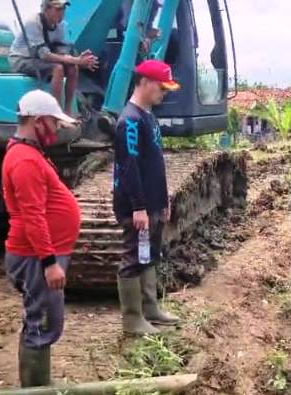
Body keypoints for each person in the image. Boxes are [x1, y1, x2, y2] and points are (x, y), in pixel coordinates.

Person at [1, 89, 79, 387]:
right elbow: (33, 215)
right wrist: (48, 262)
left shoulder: (28, 154)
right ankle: (35, 388)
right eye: (54, 122)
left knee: (43, 321)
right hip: (35, 256)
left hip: (40, 253)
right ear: (37, 120)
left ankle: (37, 385)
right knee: (43, 323)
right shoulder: (25, 160)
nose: (58, 129)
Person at [112, 60, 180, 335]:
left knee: (150, 253)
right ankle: (132, 319)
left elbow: (155, 164)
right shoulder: (129, 121)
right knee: (133, 257)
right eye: (160, 87)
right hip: (135, 206)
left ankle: (150, 307)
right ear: (143, 82)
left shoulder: (147, 116)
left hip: (152, 202)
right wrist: (139, 207)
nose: (163, 93)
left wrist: (162, 202)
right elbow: (129, 167)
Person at [9, 0, 99, 113]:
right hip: (22, 59)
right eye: (58, 9)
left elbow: (61, 51)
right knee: (58, 68)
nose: (61, 13)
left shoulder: (61, 26)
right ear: (46, 9)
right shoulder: (33, 22)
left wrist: (76, 59)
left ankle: (67, 110)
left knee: (72, 68)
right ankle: (56, 112)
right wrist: (78, 60)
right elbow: (44, 55)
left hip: (40, 59)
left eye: (63, 9)